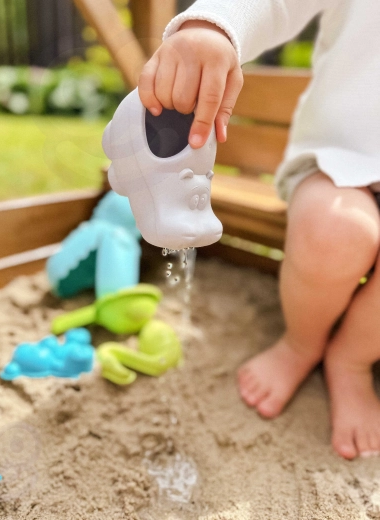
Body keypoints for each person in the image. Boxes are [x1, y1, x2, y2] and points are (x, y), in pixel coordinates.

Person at [137, 0, 380, 460]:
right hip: (342, 160)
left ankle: (352, 359)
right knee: (333, 232)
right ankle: (301, 344)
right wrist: (215, 25)